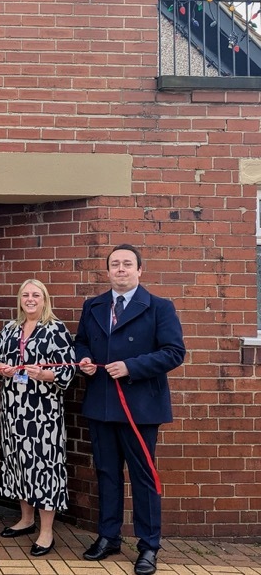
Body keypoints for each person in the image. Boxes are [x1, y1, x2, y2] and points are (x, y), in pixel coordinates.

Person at [75, 244, 185, 575]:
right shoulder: (92, 305)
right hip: (102, 405)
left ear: (140, 270)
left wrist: (131, 367)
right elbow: (81, 341)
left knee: (142, 477)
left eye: (127, 264)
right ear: (107, 271)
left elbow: (174, 352)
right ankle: (108, 537)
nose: (121, 269)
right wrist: (84, 361)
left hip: (140, 407)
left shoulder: (159, 308)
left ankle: (148, 545)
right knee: (107, 474)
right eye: (115, 264)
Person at [0, 279, 75, 557]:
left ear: (44, 299)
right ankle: (26, 519)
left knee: (44, 466)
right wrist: (1, 369)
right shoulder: (10, 328)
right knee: (18, 462)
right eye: (25, 294)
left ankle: (46, 531)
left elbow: (68, 369)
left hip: (43, 412)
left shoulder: (55, 329)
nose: (30, 299)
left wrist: (45, 374)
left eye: (36, 294)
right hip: (13, 408)